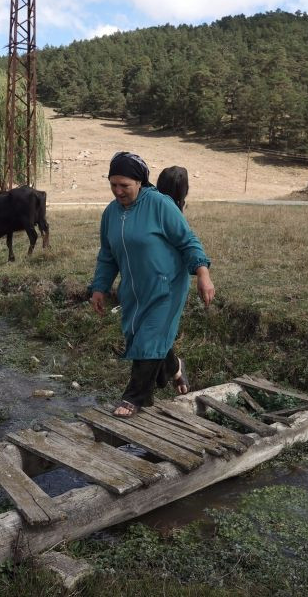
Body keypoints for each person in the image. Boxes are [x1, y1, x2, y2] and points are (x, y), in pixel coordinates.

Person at [89, 152, 215, 418]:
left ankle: (135, 398)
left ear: (140, 182)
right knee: (142, 337)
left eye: (124, 185)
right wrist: (99, 287)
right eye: (113, 184)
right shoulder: (111, 213)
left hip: (166, 286)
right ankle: (174, 366)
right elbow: (107, 254)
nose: (118, 191)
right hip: (135, 290)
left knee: (148, 339)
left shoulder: (160, 204)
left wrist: (203, 274)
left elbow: (187, 241)